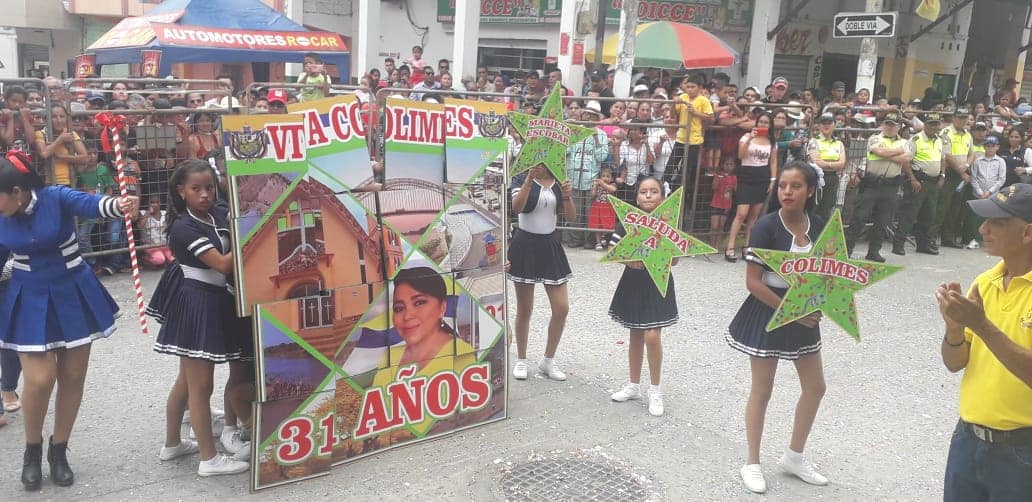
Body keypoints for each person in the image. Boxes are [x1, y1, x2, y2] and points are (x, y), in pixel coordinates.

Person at [0, 150, 138, 489]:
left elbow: (92, 204)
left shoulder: (55, 197)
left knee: (73, 375)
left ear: (16, 191)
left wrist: (120, 205)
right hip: (28, 294)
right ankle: (32, 450)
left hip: (72, 290)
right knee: (39, 379)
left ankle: (58, 450)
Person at [726, 161, 828, 494]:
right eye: (783, 185)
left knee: (816, 387)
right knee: (762, 389)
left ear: (810, 190)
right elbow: (753, 282)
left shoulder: (820, 225)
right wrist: (793, 312)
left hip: (803, 312)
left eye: (796, 186)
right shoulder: (766, 226)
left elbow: (828, 275)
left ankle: (794, 457)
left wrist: (821, 302)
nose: (787, 191)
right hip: (769, 308)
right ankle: (752, 462)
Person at [147, 160, 250, 476]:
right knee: (200, 386)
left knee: (186, 381)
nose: (205, 194)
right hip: (197, 303)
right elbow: (222, 264)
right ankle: (209, 459)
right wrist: (252, 233)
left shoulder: (216, 212)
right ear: (181, 191)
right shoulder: (183, 227)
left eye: (209, 187)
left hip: (213, 298)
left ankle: (172, 444)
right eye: (196, 189)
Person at [936, 182, 1032, 501]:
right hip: (968, 438)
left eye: (997, 222)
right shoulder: (985, 282)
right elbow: (955, 363)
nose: (983, 229)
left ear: (1027, 233)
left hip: (1023, 451)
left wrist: (981, 325)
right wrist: (954, 331)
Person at [607, 177, 679, 417]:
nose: (648, 195)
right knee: (635, 335)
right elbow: (613, 249)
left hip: (659, 282)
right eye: (643, 191)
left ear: (663, 197)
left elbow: (676, 260)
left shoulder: (668, 223)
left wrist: (664, 255)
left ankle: (655, 389)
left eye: (654, 191)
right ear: (637, 197)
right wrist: (629, 261)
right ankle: (634, 385)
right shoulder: (629, 220)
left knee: (652, 336)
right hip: (633, 282)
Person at [508, 164, 575, 382]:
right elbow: (516, 208)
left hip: (550, 244)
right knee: (525, 308)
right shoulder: (520, 178)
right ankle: (521, 359)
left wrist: (567, 196)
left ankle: (548, 360)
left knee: (562, 307)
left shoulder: (559, 179)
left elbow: (571, 217)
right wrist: (529, 180)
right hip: (525, 244)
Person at [374, 267, 476, 387]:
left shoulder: (460, 352)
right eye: (399, 308)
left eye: (419, 302)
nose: (407, 316)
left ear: (442, 307)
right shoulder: (390, 356)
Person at [845, 112, 912, 262]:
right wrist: (898, 152)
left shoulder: (904, 142)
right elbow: (878, 151)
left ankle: (874, 251)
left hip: (891, 185)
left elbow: (907, 157)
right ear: (883, 124)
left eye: (893, 125)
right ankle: (847, 249)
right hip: (872, 183)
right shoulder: (875, 138)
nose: (889, 127)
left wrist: (887, 155)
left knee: (883, 221)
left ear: (899, 127)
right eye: (887, 124)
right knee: (859, 218)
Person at [725, 113, 777, 263]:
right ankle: (730, 246)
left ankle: (747, 246)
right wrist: (749, 139)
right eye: (760, 121)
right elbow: (740, 156)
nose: (763, 125)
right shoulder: (746, 136)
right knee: (741, 214)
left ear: (770, 125)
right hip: (747, 175)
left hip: (762, 176)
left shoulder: (772, 141)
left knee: (754, 215)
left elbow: (773, 161)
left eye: (766, 122)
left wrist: (773, 180)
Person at [894, 112, 946, 256]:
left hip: (933, 182)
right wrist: (913, 179)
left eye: (936, 124)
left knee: (929, 215)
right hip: (918, 180)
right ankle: (898, 244)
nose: (933, 127)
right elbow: (906, 161)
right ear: (925, 125)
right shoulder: (916, 139)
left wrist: (942, 175)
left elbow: (943, 159)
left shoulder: (940, 140)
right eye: (930, 124)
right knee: (909, 215)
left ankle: (923, 245)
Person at [665, 73, 713, 228]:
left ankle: (680, 196)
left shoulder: (703, 100)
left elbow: (710, 117)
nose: (690, 89)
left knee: (686, 173)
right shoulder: (683, 97)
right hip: (681, 138)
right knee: (670, 167)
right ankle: (668, 189)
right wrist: (674, 104)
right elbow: (674, 116)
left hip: (694, 141)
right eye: (688, 86)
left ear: (700, 88)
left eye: (693, 87)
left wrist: (696, 112)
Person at [564, 104, 609, 250]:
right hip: (573, 176)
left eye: (592, 115)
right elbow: (566, 150)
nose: (589, 117)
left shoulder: (602, 134)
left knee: (590, 211)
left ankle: (589, 240)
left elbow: (602, 157)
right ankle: (575, 238)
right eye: (587, 114)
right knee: (575, 210)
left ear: (597, 118)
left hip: (591, 179)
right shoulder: (575, 130)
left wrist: (595, 138)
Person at [937, 109, 976, 249]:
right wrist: (961, 171)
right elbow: (946, 155)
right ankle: (930, 237)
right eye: (959, 118)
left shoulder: (967, 134)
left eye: (965, 118)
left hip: (961, 174)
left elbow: (972, 154)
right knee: (942, 207)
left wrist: (966, 166)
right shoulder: (946, 132)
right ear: (954, 118)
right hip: (949, 173)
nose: (962, 120)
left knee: (954, 208)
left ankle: (948, 238)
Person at [964, 135, 1007, 249]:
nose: (990, 148)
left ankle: (989, 240)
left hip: (993, 195)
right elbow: (974, 178)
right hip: (978, 194)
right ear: (984, 147)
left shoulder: (1000, 161)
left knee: (991, 218)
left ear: (997, 147)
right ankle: (974, 239)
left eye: (993, 146)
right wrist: (979, 192)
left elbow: (1001, 179)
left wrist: (989, 192)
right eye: (988, 146)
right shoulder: (978, 161)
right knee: (975, 217)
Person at [34, 104, 89, 186]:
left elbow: (85, 158)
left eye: (62, 117)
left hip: (70, 182)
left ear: (66, 119)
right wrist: (61, 139)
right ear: (47, 119)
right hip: (48, 183)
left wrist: (60, 157)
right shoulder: (41, 134)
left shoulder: (71, 133)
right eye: (54, 117)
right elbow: (44, 154)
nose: (59, 120)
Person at [807, 112, 846, 221]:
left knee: (826, 209)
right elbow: (817, 162)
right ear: (819, 125)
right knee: (813, 208)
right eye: (823, 123)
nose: (826, 125)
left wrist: (826, 164)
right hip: (816, 178)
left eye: (829, 122)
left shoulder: (839, 143)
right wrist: (834, 164)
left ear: (834, 125)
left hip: (832, 179)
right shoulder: (813, 141)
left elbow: (842, 164)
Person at [613, 121, 654, 204]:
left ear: (642, 131)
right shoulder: (624, 144)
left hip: (644, 182)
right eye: (631, 129)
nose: (632, 132)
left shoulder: (648, 143)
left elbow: (651, 162)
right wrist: (616, 146)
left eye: (635, 129)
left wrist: (646, 145)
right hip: (628, 182)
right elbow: (618, 163)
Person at [710, 156, 738, 247]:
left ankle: (717, 246)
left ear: (734, 166)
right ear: (722, 165)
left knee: (721, 227)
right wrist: (718, 178)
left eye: (731, 164)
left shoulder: (734, 178)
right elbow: (713, 187)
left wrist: (731, 189)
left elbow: (735, 191)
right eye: (726, 164)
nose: (728, 166)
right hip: (716, 204)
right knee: (714, 227)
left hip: (726, 205)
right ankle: (712, 245)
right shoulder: (719, 175)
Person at [588, 166, 618, 250]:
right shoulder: (598, 185)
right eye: (603, 176)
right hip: (597, 207)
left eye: (608, 176)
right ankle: (598, 243)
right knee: (597, 225)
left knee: (607, 224)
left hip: (607, 208)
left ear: (612, 178)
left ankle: (603, 236)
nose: (605, 178)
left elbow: (613, 190)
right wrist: (594, 187)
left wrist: (603, 184)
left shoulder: (612, 184)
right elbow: (592, 195)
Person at [140, 194, 173, 268]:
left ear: (160, 203)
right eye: (152, 202)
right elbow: (139, 226)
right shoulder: (143, 213)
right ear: (148, 203)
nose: (155, 204)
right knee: (160, 260)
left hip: (163, 243)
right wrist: (148, 213)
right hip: (150, 244)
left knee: (171, 259)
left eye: (157, 202)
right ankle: (144, 258)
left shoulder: (165, 213)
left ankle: (163, 257)